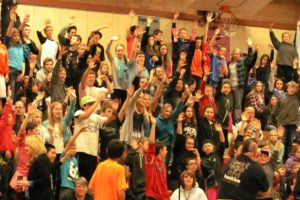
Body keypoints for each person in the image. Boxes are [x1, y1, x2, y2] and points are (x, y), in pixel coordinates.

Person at [16, 134, 54, 200]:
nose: (25, 148)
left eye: (27, 146)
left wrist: (29, 183)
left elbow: (45, 179)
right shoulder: (40, 159)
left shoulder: (41, 160)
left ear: (34, 146)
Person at [145, 115, 170, 200]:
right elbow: (151, 143)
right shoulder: (151, 160)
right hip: (152, 196)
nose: (166, 152)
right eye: (165, 150)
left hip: (163, 197)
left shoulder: (163, 163)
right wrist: (153, 125)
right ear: (160, 151)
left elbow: (163, 182)